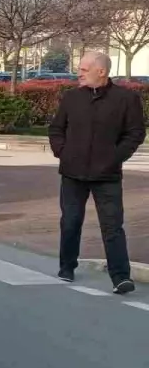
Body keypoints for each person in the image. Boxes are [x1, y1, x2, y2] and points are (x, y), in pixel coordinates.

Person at [48, 51, 145, 294]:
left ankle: (121, 277)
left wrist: (114, 157)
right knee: (70, 221)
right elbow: (56, 129)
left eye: (83, 69)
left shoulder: (126, 99)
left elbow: (135, 133)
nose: (78, 73)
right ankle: (67, 267)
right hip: (72, 172)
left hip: (107, 175)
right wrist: (63, 152)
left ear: (101, 71)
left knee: (113, 225)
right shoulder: (71, 98)